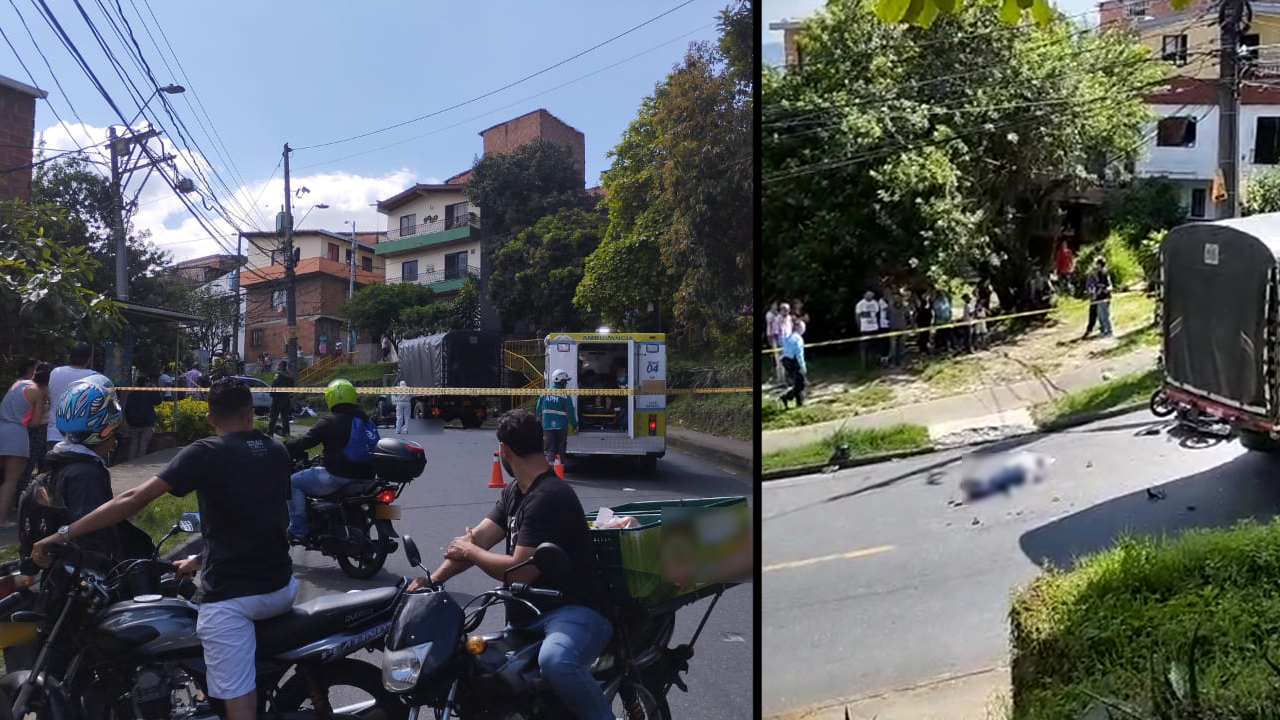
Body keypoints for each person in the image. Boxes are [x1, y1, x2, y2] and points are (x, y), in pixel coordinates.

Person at [31, 378, 295, 720]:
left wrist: (62, 534)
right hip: (282, 587)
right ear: (250, 412)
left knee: (238, 707)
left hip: (234, 601)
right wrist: (200, 559)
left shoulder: (204, 453)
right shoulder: (277, 450)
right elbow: (268, 522)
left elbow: (132, 500)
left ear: (210, 418)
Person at [406, 409, 614, 720]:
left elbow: (521, 570)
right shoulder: (515, 491)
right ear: (540, 441)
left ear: (504, 450)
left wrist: (470, 550)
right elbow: (477, 539)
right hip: (526, 617)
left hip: (574, 612)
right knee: (481, 673)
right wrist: (433, 581)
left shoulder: (550, 496)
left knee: (556, 661)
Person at [21, 376, 152, 568]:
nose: (115, 439)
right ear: (103, 431)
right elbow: (93, 537)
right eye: (113, 430)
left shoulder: (58, 461)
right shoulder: (87, 474)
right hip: (82, 581)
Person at [284, 378, 379, 541]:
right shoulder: (365, 420)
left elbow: (305, 442)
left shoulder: (329, 421)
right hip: (367, 477)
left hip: (338, 476)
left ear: (330, 398)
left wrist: (284, 446)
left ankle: (298, 529)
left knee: (293, 482)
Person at [0, 360, 42, 526]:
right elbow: (35, 423)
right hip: (17, 433)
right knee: (10, 481)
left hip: (1, 427)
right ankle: (1, 519)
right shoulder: (35, 390)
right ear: (32, 370)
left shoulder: (15, 385)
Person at [45, 343, 97, 456]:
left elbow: (49, 396)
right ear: (88, 359)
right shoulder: (94, 378)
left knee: (53, 471)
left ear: (70, 356)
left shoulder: (55, 373)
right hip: (82, 438)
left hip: (54, 433)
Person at [19, 363, 51, 496]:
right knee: (31, 461)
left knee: (38, 460)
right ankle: (22, 492)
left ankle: (28, 491)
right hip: (37, 427)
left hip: (32, 427)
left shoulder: (24, 385)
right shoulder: (41, 389)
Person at [536, 369, 578, 467]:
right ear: (560, 381)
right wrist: (575, 425)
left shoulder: (544, 393)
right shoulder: (565, 396)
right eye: (565, 381)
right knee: (560, 449)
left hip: (547, 426)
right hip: (561, 427)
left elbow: (538, 409)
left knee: (550, 449)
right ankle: (559, 469)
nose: (566, 383)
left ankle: (550, 470)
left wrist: (539, 420)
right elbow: (570, 412)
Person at [124, 376, 163, 461]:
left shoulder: (132, 393)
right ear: (146, 383)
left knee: (134, 443)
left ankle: (131, 461)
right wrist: (154, 389)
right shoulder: (149, 392)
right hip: (146, 423)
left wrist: (129, 420)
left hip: (134, 423)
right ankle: (140, 461)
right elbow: (158, 401)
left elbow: (128, 408)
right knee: (143, 444)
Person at [780, 321, 807, 409]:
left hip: (785, 360)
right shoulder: (798, 339)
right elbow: (799, 353)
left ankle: (799, 403)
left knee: (798, 382)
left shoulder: (789, 336)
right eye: (803, 327)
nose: (804, 329)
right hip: (793, 361)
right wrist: (802, 365)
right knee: (801, 383)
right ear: (799, 328)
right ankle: (787, 397)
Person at [855, 290, 880, 367]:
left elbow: (876, 314)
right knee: (864, 347)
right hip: (864, 328)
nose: (870, 296)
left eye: (871, 295)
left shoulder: (875, 303)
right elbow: (857, 316)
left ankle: (872, 363)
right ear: (864, 295)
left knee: (873, 347)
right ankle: (864, 364)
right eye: (868, 295)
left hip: (874, 327)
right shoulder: (860, 304)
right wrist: (859, 326)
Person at [269, 361, 293, 438]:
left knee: (273, 417)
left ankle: (270, 434)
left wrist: (272, 394)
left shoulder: (278, 375)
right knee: (285, 417)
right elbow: (292, 387)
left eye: (278, 364)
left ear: (282, 366)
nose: (277, 366)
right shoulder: (289, 375)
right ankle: (287, 433)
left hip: (277, 398)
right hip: (286, 399)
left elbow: (274, 384)